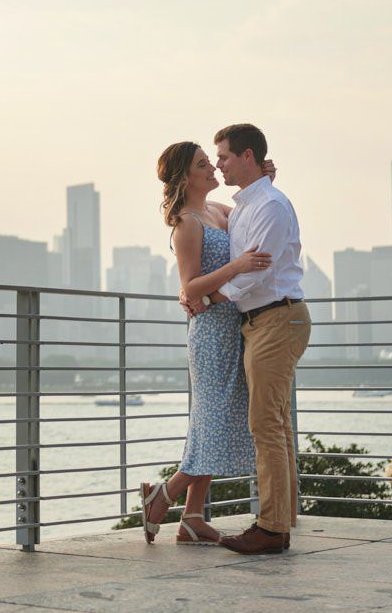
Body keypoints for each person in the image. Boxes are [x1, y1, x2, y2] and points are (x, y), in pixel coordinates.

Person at [139, 141, 274, 545]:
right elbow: (190, 287)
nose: (214, 167)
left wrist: (264, 181)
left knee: (211, 424)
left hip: (238, 326)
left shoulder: (219, 211)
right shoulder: (186, 223)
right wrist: (237, 266)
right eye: (203, 164)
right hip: (211, 334)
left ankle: (193, 517)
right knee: (211, 426)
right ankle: (161, 500)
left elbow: (251, 220)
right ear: (186, 177)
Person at [202, 123, 310, 555]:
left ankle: (271, 528)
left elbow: (258, 273)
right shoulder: (249, 204)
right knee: (276, 424)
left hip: (276, 318)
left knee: (265, 425)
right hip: (262, 320)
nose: (218, 164)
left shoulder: (268, 206)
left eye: (224, 156)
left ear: (247, 156)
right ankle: (281, 519)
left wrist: (210, 296)